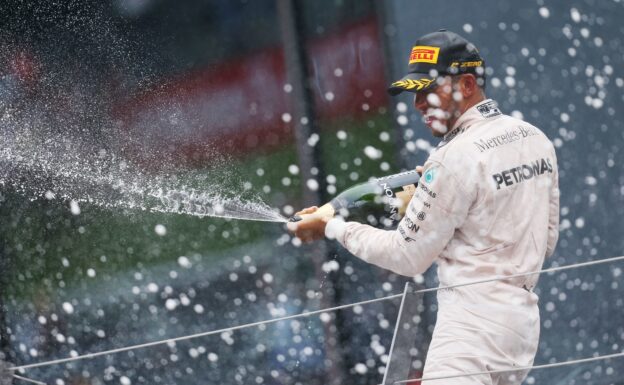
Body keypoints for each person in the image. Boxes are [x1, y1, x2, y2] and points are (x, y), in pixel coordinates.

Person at [288, 29, 560, 385]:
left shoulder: (452, 160)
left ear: (466, 84)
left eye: (428, 91)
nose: (418, 105)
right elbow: (547, 240)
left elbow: (406, 257)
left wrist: (332, 227)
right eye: (415, 94)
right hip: (521, 329)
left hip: (469, 333)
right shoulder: (534, 137)